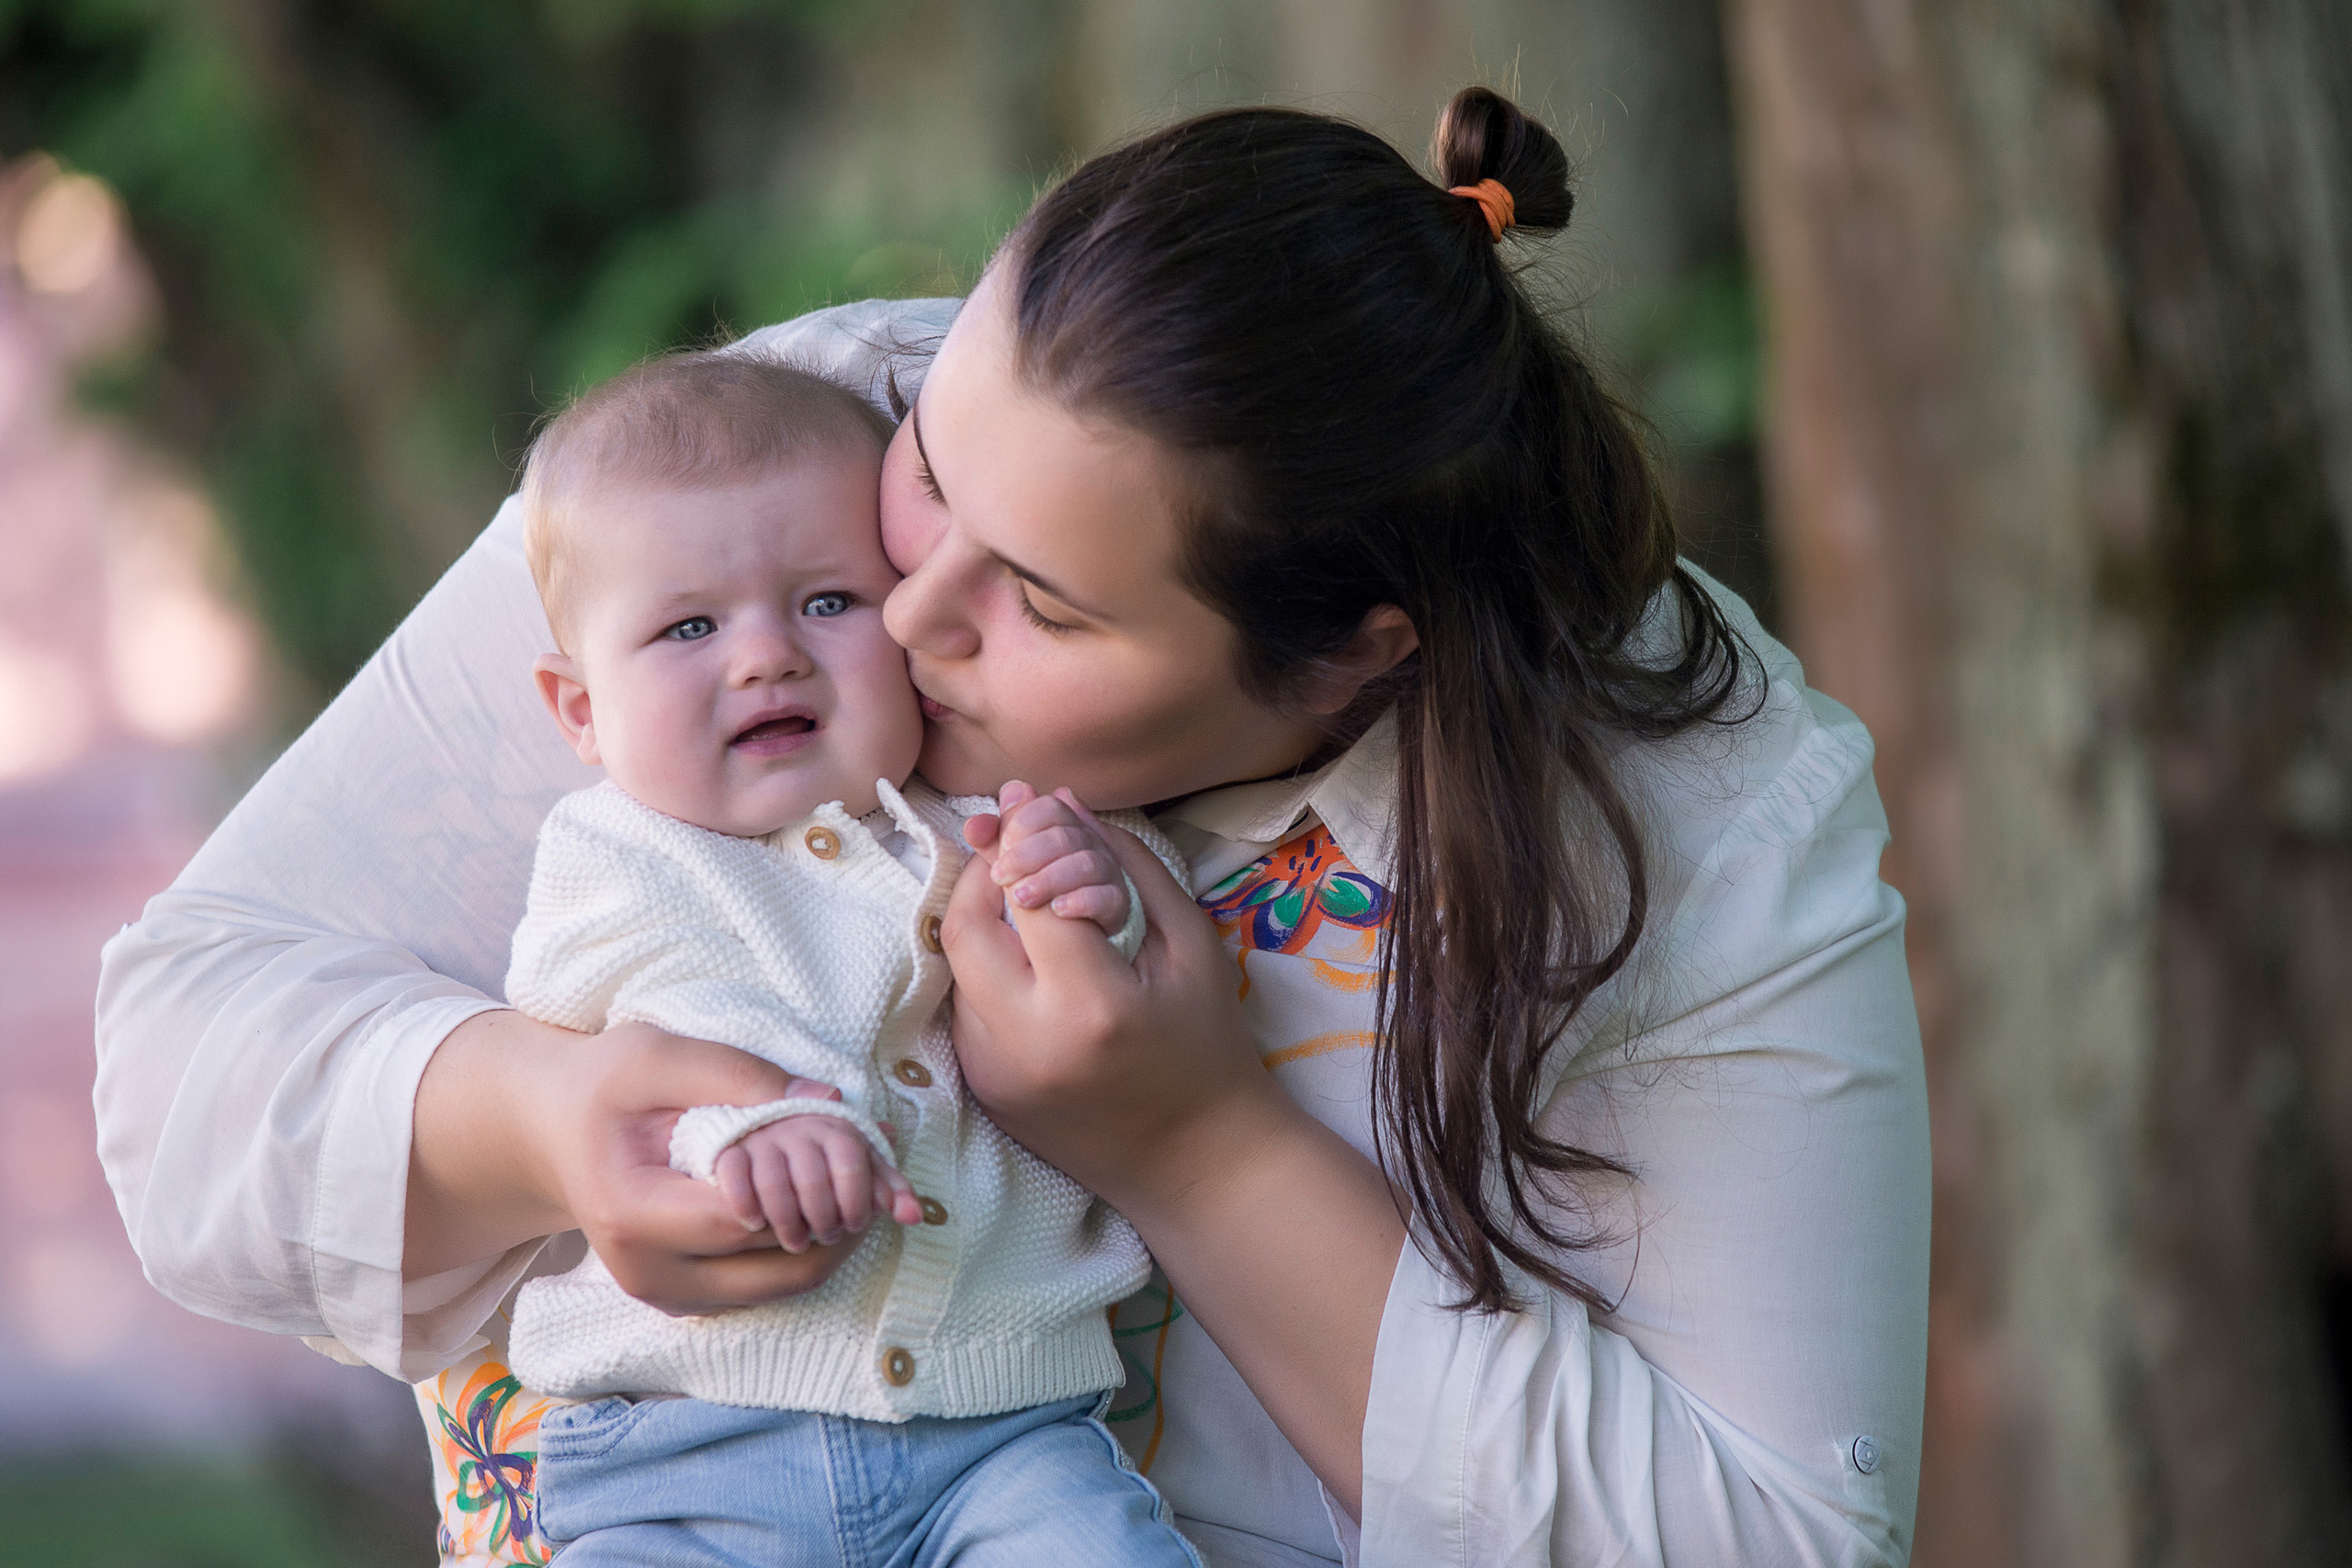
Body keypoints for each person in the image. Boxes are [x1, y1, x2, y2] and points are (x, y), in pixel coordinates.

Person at [95, 86, 1930, 1567]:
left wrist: (1195, 1151)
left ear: (1350, 656)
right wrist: (549, 1112)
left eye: (1040, 608)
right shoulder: (779, 464)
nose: (892, 613)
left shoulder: (1691, 801)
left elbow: (1767, 1533)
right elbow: (183, 1079)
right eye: (935, 467)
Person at [479, 347, 1197, 1564]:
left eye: (827, 602)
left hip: (998, 1439)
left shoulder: (977, 814)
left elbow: (1128, 974)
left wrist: (1096, 900)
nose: (766, 655)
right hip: (689, 1447)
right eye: (690, 626)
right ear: (582, 711)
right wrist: (745, 1131)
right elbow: (647, 1044)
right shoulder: (622, 855)